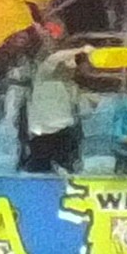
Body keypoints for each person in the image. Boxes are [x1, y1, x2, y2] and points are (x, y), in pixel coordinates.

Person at [19, 23, 89, 173]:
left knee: (67, 168)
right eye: (68, 62)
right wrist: (81, 49)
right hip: (42, 134)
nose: (71, 65)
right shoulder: (43, 76)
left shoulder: (69, 85)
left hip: (63, 132)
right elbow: (54, 58)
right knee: (39, 170)